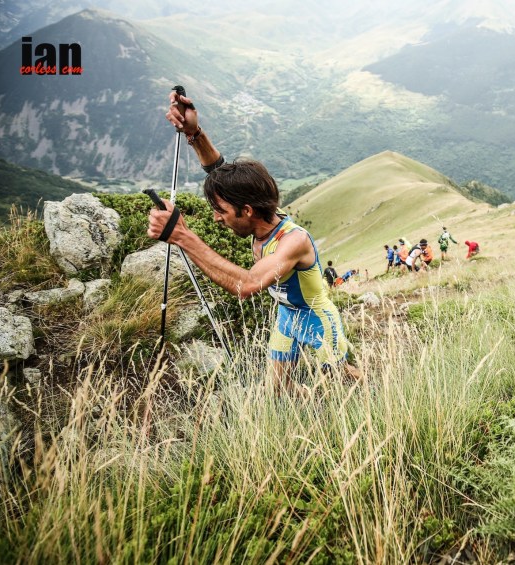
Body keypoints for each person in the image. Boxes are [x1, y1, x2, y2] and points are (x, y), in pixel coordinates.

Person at [153, 90, 361, 395]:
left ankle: (376, 394)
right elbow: (219, 172)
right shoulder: (260, 217)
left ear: (247, 211)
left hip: (317, 319)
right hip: (287, 317)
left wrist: (182, 236)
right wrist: (194, 134)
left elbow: (247, 285)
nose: (216, 219)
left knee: (342, 379)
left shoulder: (294, 241)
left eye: (221, 211)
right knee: (277, 389)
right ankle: (311, 405)